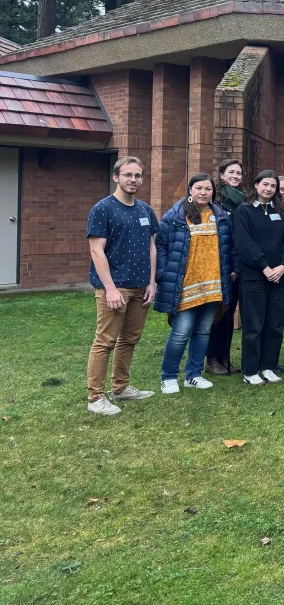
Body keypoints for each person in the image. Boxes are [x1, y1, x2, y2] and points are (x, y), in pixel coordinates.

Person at [85, 157, 158, 415]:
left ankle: (120, 387)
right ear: (116, 177)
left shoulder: (145, 210)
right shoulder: (103, 209)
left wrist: (151, 282)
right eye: (128, 175)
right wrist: (110, 288)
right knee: (105, 341)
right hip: (115, 288)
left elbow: (151, 247)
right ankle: (96, 398)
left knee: (130, 339)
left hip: (141, 288)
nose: (133, 180)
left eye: (138, 175)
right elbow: (96, 250)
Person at [155, 173, 239, 394]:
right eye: (199, 188)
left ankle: (193, 374)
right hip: (185, 285)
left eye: (208, 189)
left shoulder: (220, 215)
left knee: (203, 332)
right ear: (190, 190)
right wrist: (163, 273)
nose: (204, 193)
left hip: (213, 285)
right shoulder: (175, 216)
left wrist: (233, 269)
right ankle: (169, 376)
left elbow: (230, 246)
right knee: (181, 332)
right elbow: (161, 246)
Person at [233, 169, 284, 385]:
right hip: (255, 277)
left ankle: (269, 366)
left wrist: (282, 266)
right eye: (265, 185)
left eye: (273, 186)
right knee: (254, 325)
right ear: (256, 185)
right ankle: (250, 370)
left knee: (275, 324)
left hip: (281, 277)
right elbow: (244, 242)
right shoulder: (244, 211)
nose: (269, 189)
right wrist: (264, 266)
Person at [205, 158, 244, 375]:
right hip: (219, 266)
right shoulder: (216, 201)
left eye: (239, 173)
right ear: (221, 175)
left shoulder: (243, 201)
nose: (236, 176)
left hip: (237, 266)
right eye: (231, 172)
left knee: (229, 315)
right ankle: (211, 359)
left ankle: (225, 358)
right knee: (216, 315)